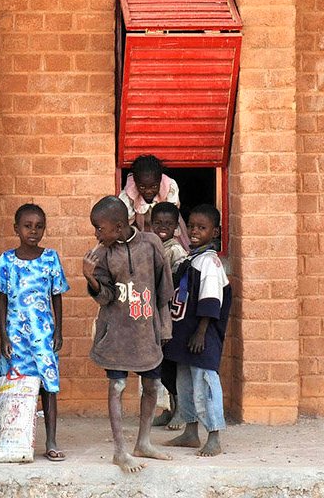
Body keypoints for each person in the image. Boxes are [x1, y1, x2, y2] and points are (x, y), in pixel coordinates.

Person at [83, 196, 174, 473]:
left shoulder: (151, 244)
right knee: (117, 387)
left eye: (100, 228)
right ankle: (120, 450)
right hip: (117, 333)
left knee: (152, 385)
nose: (96, 234)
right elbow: (106, 297)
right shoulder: (102, 254)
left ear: (119, 226)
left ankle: (143, 442)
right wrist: (91, 278)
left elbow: (163, 291)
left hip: (146, 331)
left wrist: (165, 327)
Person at [0, 203, 69, 462]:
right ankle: (11, 440)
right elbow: (1, 299)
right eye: (27, 226)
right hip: (15, 337)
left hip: (43, 335)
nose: (33, 231)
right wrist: (3, 336)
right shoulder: (6, 260)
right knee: (12, 387)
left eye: (39, 226)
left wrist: (58, 331)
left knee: (49, 387)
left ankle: (51, 441)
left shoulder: (51, 258)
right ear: (16, 228)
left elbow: (56, 295)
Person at [164, 204, 231, 457]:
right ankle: (190, 431)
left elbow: (211, 299)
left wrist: (201, 332)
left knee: (205, 383)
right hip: (185, 335)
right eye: (191, 226)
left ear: (215, 232)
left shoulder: (210, 263)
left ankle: (214, 436)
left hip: (201, 337)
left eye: (201, 228)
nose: (194, 231)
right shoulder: (192, 258)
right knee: (185, 384)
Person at [149, 202, 187, 430]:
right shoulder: (152, 246)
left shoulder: (175, 251)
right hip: (155, 313)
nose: (163, 227)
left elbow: (176, 282)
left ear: (176, 227)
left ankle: (180, 410)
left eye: (168, 224)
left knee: (171, 365)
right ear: (151, 224)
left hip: (171, 314)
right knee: (161, 365)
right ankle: (169, 409)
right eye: (158, 223)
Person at [118, 154, 189, 248]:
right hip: (142, 227)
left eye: (154, 186)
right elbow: (126, 220)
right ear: (135, 183)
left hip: (167, 225)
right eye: (142, 187)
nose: (148, 191)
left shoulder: (168, 187)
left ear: (160, 181)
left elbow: (172, 213)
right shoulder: (130, 193)